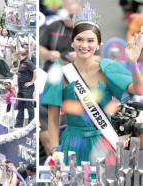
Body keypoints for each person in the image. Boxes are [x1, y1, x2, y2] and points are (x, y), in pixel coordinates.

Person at [41, 2, 143, 166]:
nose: (84, 45)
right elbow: (52, 119)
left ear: (98, 44)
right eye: (79, 39)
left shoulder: (107, 68)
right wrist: (54, 152)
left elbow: (139, 89)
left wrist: (132, 63)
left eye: (90, 40)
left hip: (103, 142)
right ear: (72, 41)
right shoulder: (61, 72)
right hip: (71, 144)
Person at [39, 0, 83, 71]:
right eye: (65, 15)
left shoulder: (87, 29)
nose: (68, 19)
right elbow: (40, 49)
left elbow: (97, 58)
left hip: (79, 71)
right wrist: (49, 54)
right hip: (53, 69)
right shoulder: (53, 26)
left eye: (71, 16)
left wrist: (81, 57)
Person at [15, 48, 36, 128]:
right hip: (21, 88)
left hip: (27, 88)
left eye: (17, 54)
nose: (16, 56)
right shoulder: (22, 62)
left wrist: (32, 82)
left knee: (29, 105)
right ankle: (19, 123)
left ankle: (31, 123)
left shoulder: (27, 62)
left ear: (19, 54)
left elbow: (35, 70)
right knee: (20, 105)